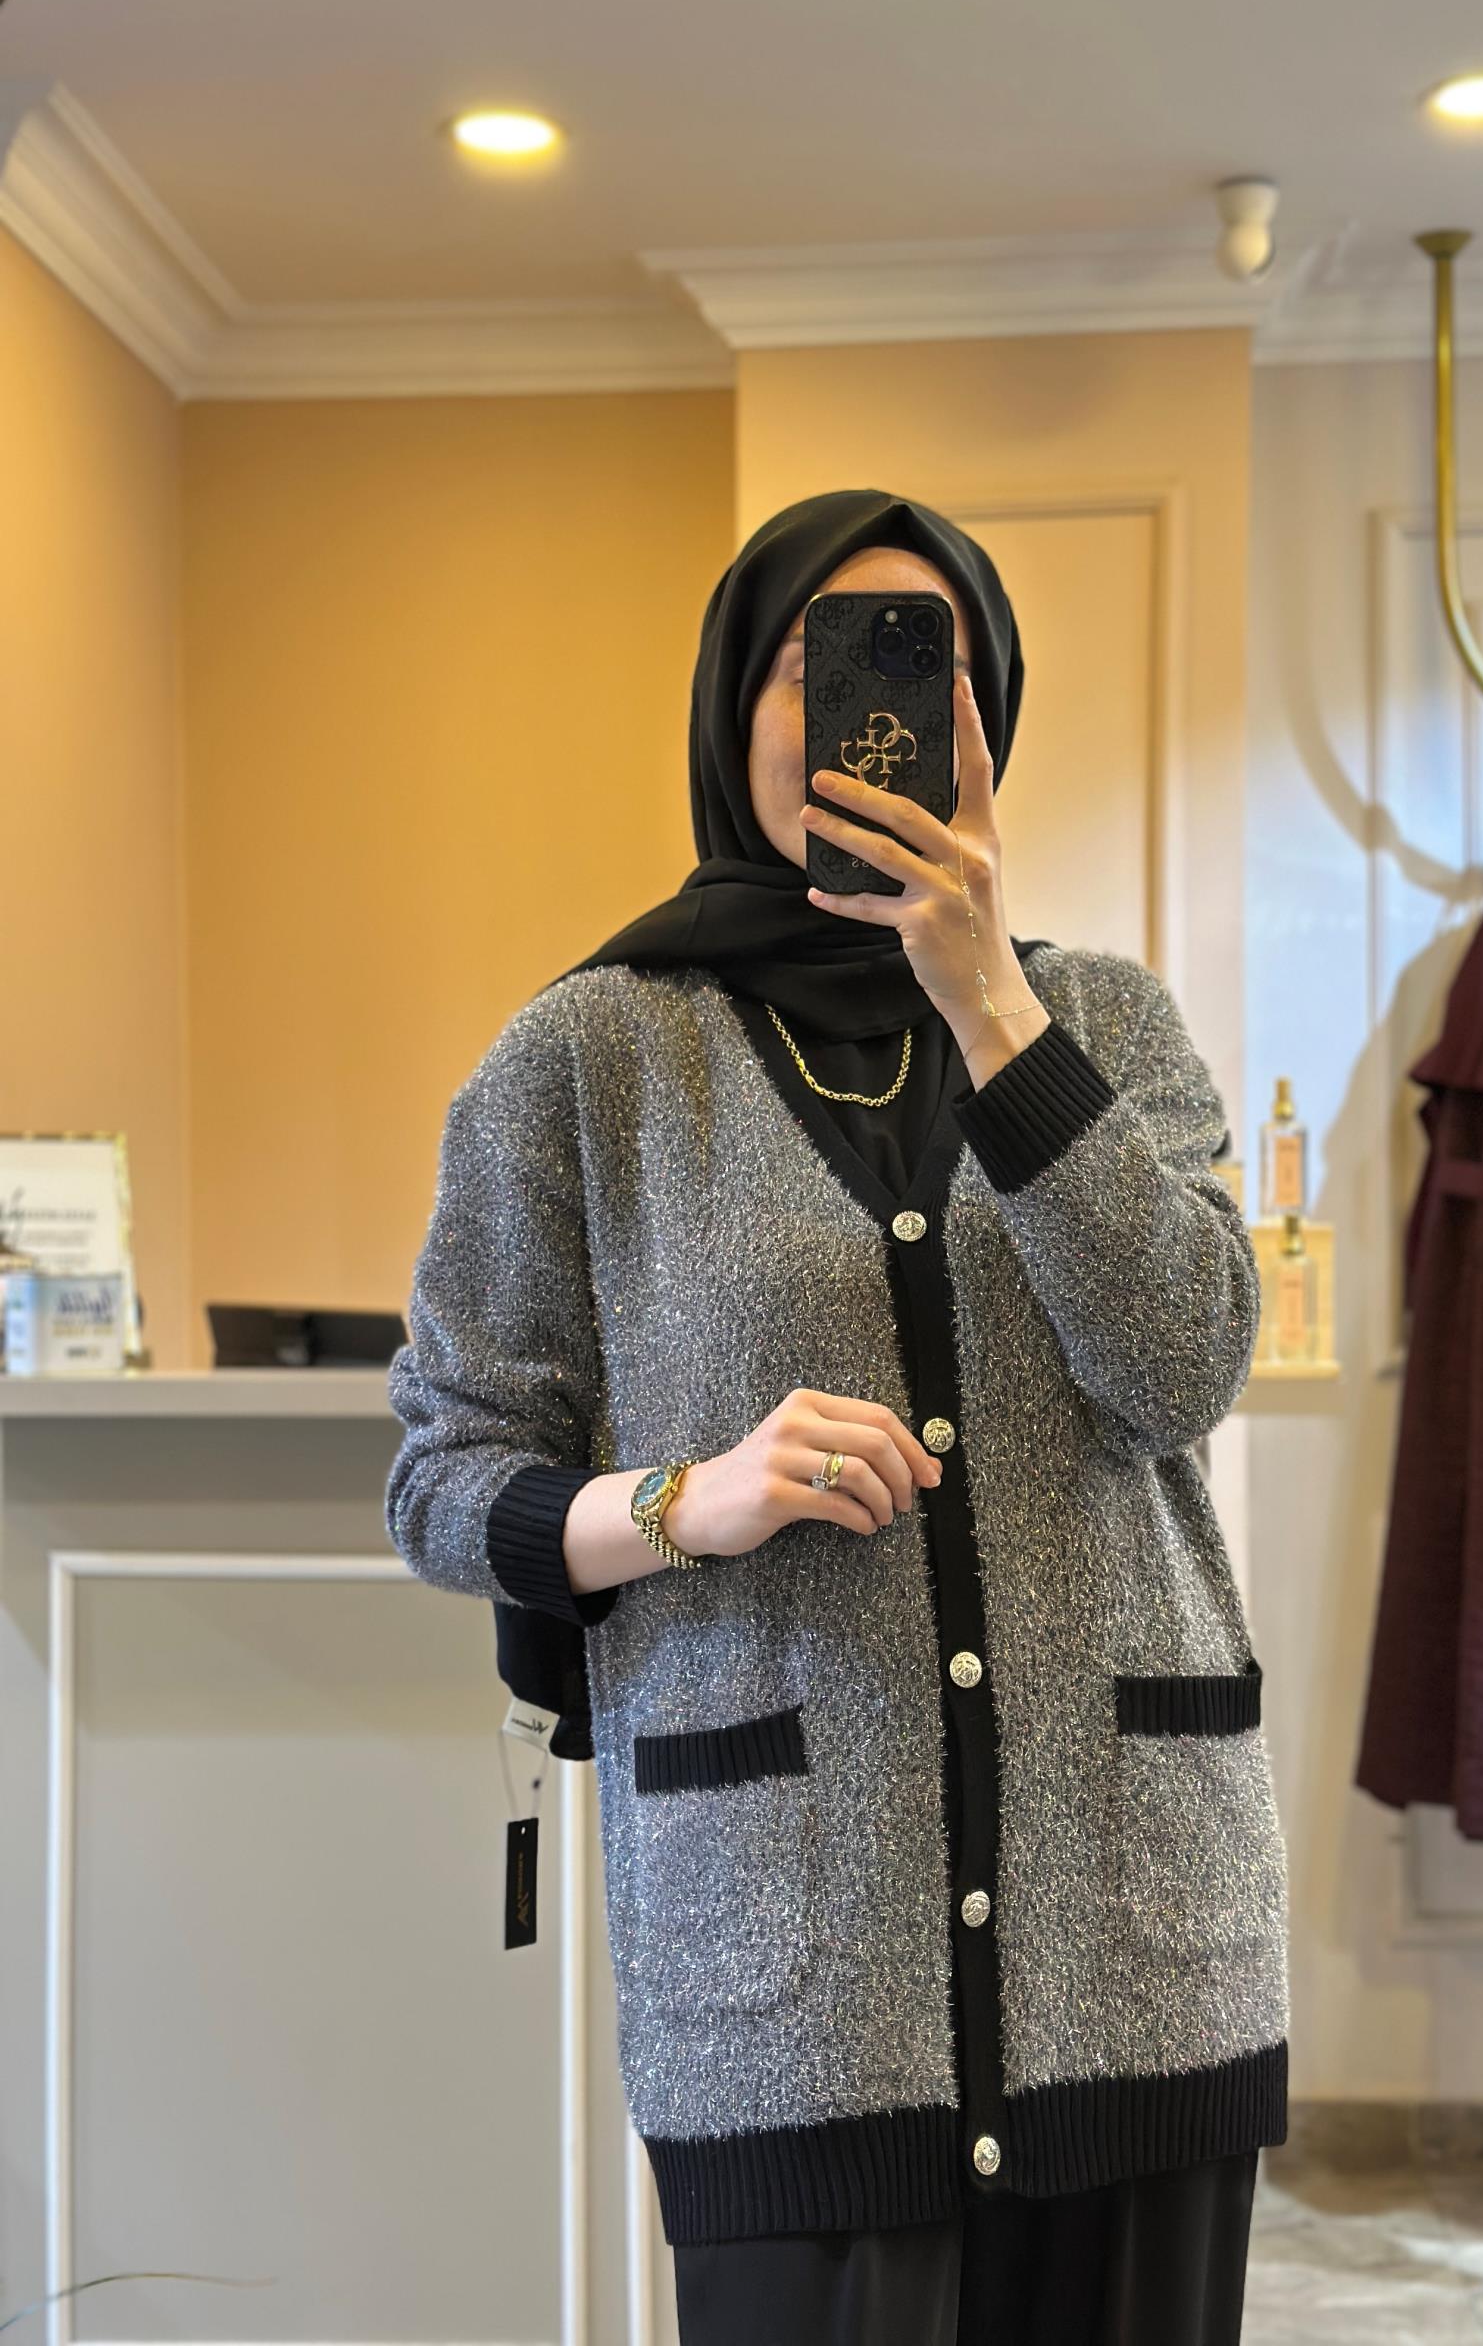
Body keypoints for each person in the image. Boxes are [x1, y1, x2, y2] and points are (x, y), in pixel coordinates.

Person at [385, 489, 1287, 2345]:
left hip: (1138, 1959)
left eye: (920, 663)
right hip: (791, 1996)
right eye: (816, 662)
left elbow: (1183, 1364)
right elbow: (443, 1476)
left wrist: (992, 1006)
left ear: (986, 721)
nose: (871, 709)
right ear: (736, 712)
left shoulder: (1102, 1023)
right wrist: (687, 1498)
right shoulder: (586, 1062)